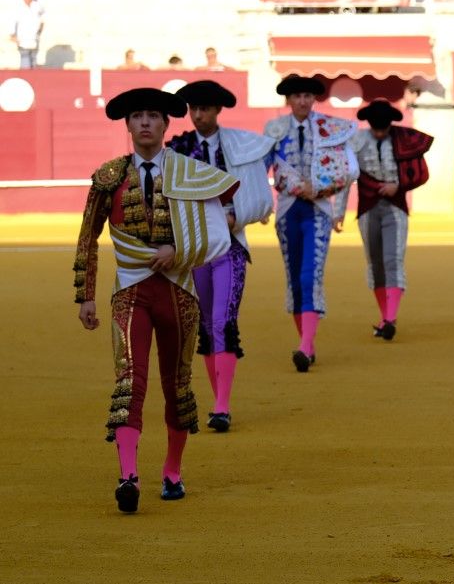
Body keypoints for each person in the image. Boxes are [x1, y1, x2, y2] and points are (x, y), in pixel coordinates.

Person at [75, 87, 238, 512]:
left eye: (153, 116)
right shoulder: (108, 177)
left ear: (166, 125)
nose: (145, 122)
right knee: (130, 381)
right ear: (127, 126)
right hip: (130, 292)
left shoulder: (191, 172)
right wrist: (85, 296)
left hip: (178, 292)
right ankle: (128, 474)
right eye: (137, 117)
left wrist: (178, 253)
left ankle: (172, 469)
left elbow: (220, 238)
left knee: (177, 385)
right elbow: (87, 239)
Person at [165, 79, 276, 432]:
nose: (198, 115)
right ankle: (219, 404)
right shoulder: (179, 148)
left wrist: (235, 215)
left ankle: (221, 405)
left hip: (230, 246)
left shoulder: (240, 147)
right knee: (206, 324)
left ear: (217, 111)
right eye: (194, 109)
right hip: (196, 250)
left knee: (222, 320)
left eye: (205, 109)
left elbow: (259, 197)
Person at [264, 76, 358, 372]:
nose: (303, 101)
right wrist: (259, 206)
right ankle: (308, 341)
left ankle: (305, 346)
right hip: (288, 210)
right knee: (294, 278)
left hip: (318, 209)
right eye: (297, 96)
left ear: (313, 98)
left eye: (307, 95)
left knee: (309, 276)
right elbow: (259, 169)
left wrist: (336, 208)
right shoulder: (274, 130)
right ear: (288, 100)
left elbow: (348, 171)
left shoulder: (331, 128)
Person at [348, 100, 433, 340]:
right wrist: (337, 212)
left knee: (392, 259)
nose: (379, 132)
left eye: (383, 128)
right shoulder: (357, 141)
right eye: (376, 127)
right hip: (367, 207)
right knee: (375, 262)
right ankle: (385, 316)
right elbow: (347, 175)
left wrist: (399, 186)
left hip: (395, 207)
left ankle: (390, 318)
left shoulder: (402, 139)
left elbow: (421, 174)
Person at [11, 0, 44, 69]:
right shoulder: (17, 5)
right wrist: (13, 35)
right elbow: (12, 21)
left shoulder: (37, 4)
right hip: (22, 40)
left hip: (34, 40)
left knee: (34, 64)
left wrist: (39, 32)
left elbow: (42, 19)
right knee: (25, 65)